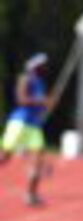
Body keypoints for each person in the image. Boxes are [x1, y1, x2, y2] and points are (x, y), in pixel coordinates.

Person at [0, 53, 53, 206]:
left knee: (38, 160)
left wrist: (44, 105)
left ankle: (31, 195)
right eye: (43, 65)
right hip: (19, 123)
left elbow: (38, 105)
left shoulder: (41, 82)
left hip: (34, 127)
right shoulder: (25, 78)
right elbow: (21, 99)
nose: (46, 67)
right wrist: (41, 101)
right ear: (36, 66)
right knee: (4, 157)